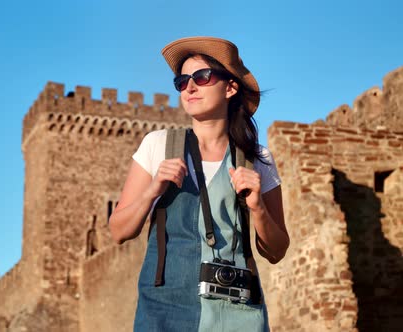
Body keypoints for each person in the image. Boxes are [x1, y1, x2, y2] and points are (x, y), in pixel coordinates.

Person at [108, 36, 290, 331]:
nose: (189, 87)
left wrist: (257, 208)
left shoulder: (257, 158)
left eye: (202, 77)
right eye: (182, 81)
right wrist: (153, 190)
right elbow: (118, 231)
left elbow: (277, 250)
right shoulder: (157, 145)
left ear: (230, 87)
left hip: (238, 312)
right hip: (164, 311)